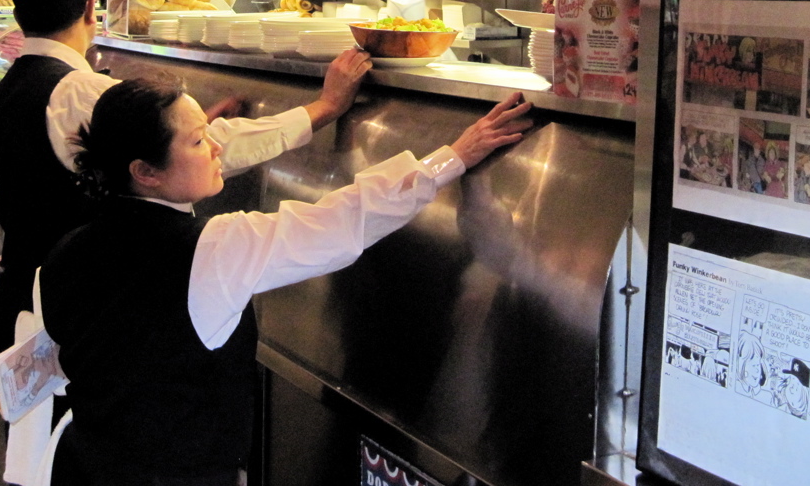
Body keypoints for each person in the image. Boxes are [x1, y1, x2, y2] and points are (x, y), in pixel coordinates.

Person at [39, 74, 532, 486]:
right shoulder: (211, 249)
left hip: (85, 467)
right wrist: (453, 157)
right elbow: (342, 219)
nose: (216, 146)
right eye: (197, 140)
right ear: (144, 171)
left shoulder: (64, 252)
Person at [0, 0, 370, 352]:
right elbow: (196, 152)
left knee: (42, 418)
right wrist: (324, 108)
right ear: (90, 5)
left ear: (19, 11)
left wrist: (191, 121)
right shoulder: (79, 89)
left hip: (29, 289)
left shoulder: (11, 83)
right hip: (80, 312)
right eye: (198, 140)